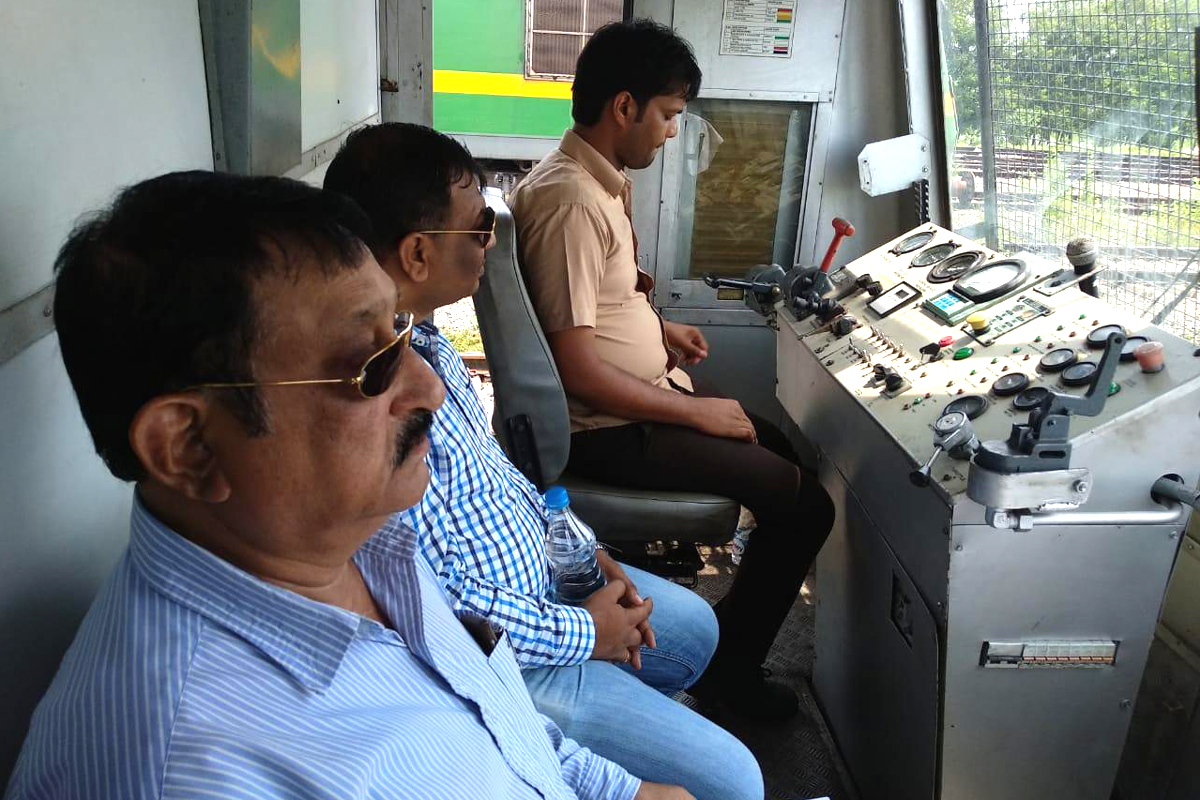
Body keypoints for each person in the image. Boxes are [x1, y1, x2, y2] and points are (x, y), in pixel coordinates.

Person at [4, 171, 692, 800]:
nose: (427, 390)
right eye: (370, 365)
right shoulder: (194, 770)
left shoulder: (356, 536)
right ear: (188, 446)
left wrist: (624, 791)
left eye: (400, 331)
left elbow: (493, 723)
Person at [324, 123, 764, 800]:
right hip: (505, 653)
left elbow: (502, 480)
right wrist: (588, 632)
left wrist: (588, 555)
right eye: (479, 229)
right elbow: (446, 606)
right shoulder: (375, 403)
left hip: (551, 585)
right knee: (735, 782)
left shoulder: (430, 349)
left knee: (694, 632)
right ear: (416, 252)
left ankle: (631, 721)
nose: (490, 243)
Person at [511, 20, 836, 720]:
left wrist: (660, 331)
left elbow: (597, 304)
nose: (670, 132)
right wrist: (697, 413)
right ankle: (729, 677)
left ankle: (728, 646)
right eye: (667, 115)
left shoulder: (597, 182)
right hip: (605, 426)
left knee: (782, 450)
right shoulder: (571, 202)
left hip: (643, 393)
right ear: (624, 107)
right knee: (808, 506)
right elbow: (577, 370)